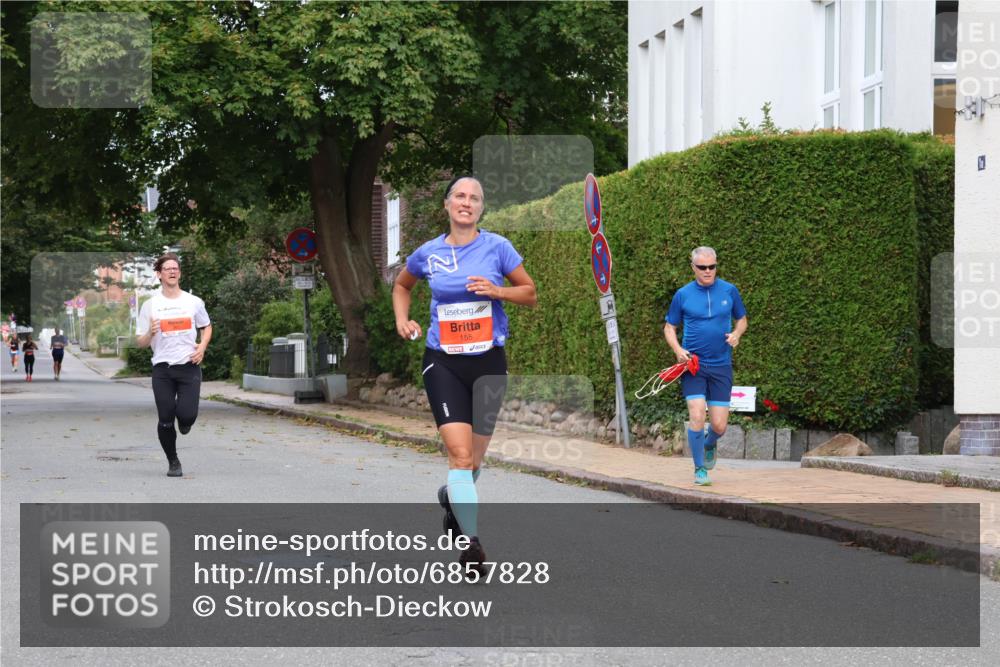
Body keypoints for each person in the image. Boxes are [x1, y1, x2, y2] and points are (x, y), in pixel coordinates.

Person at [392, 175, 537, 576]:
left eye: (474, 198)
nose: (467, 202)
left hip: (488, 363)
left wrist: (498, 291)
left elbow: (530, 291)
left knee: (473, 460)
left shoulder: (498, 248)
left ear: (480, 208)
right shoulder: (429, 253)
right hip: (443, 361)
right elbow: (402, 285)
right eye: (460, 195)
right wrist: (403, 320)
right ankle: (471, 544)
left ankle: (452, 498)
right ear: (447, 204)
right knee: (458, 454)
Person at [663, 246, 748, 486]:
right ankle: (700, 469)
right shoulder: (683, 294)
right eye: (702, 267)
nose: (708, 271)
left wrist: (737, 334)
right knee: (697, 414)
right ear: (693, 268)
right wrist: (679, 350)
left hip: (721, 365)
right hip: (694, 365)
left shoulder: (729, 291)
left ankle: (710, 443)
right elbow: (670, 327)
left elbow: (742, 319)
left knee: (719, 425)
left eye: (712, 266)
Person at [136, 253, 212, 478]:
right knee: (166, 419)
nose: (172, 271)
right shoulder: (150, 306)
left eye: (175, 268)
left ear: (179, 273)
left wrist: (202, 347)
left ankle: (186, 421)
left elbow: (206, 326)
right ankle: (173, 461)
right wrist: (151, 331)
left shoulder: (193, 301)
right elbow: (140, 343)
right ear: (159, 274)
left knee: (187, 415)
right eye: (167, 268)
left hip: (189, 366)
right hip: (162, 369)